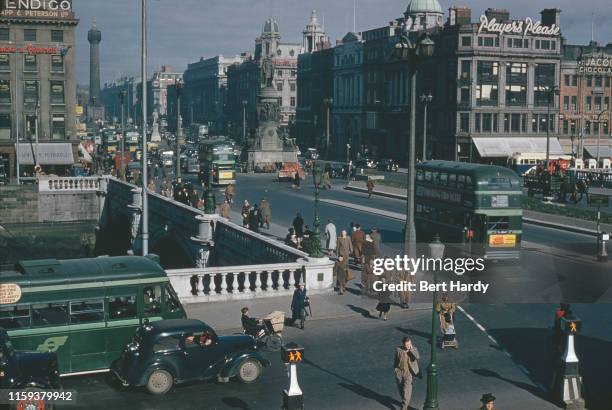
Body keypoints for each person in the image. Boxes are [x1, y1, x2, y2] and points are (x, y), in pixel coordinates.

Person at [393, 337, 420, 410]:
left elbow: (417, 356)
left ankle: (404, 407)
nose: (408, 346)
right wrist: (395, 370)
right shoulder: (398, 349)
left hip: (409, 373)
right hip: (399, 372)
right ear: (403, 345)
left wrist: (411, 349)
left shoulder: (414, 349)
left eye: (409, 344)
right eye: (406, 345)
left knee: (407, 390)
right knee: (401, 389)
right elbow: (395, 360)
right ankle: (405, 401)